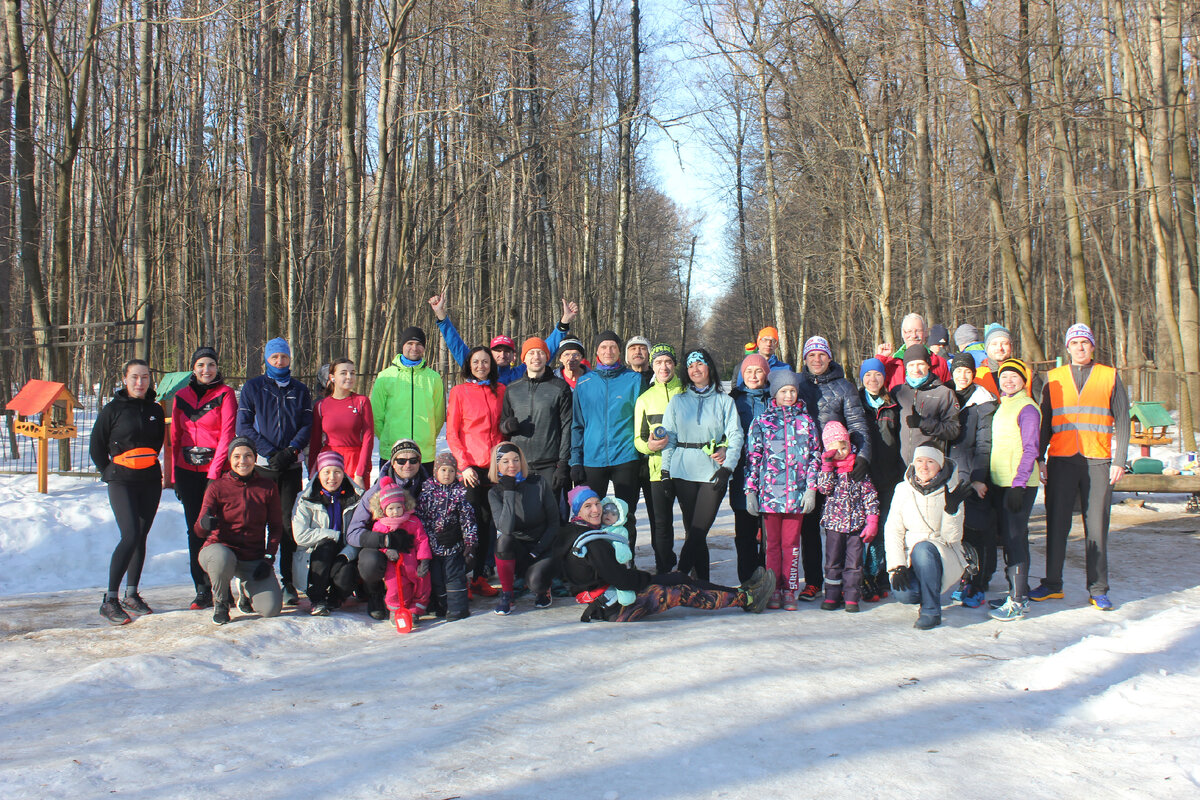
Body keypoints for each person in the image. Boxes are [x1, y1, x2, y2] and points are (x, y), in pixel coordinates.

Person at [561, 487, 776, 621]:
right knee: (680, 590)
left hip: (612, 596)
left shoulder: (578, 531)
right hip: (614, 608)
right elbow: (622, 580)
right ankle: (748, 599)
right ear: (578, 511)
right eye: (588, 506)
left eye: (597, 503)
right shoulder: (594, 542)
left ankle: (741, 591)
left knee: (679, 577)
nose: (596, 510)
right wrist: (648, 579)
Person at [1033, 323, 1130, 611]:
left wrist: (1120, 460)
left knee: (1097, 526)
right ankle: (1052, 584)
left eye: (1084, 342)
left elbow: (1123, 419)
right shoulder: (1054, 378)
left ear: (1093, 346)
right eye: (1074, 343)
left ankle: (1098, 588)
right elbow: (1045, 423)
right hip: (1061, 459)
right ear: (1067, 347)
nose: (1079, 347)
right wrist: (1039, 457)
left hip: (1098, 460)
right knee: (1057, 523)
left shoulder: (1109, 376)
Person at [235, 337, 312, 605]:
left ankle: (288, 581)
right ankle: (250, 582)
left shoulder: (300, 389)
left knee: (288, 524)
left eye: (284, 357)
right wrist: (268, 452)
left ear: (290, 359)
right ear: (267, 359)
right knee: (257, 523)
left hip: (290, 465)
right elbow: (243, 426)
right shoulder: (253, 387)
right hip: (263, 467)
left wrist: (291, 450)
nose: (280, 362)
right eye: (275, 357)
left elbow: (307, 424)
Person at [796, 335, 872, 600]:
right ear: (805, 359)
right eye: (811, 355)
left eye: (821, 354)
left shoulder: (845, 387)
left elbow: (857, 424)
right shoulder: (798, 385)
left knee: (840, 527)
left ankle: (843, 580)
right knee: (809, 525)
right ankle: (814, 581)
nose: (817, 360)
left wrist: (862, 456)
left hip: (838, 467)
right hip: (807, 466)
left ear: (829, 357)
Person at [90, 359, 166, 625]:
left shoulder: (155, 409)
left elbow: (157, 443)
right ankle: (109, 599)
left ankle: (131, 595)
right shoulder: (112, 410)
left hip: (150, 480)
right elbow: (96, 446)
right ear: (124, 379)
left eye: (145, 377)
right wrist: (109, 471)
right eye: (134, 377)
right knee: (130, 534)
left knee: (141, 535)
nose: (140, 382)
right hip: (122, 480)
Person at [660, 348, 743, 581]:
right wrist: (666, 471)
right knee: (693, 531)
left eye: (700, 364)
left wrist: (728, 467)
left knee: (699, 530)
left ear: (709, 368)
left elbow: (735, 435)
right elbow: (670, 438)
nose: (695, 369)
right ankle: (702, 583)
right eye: (690, 366)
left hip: (712, 472)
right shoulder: (677, 401)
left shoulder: (724, 401)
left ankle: (678, 577)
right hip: (683, 471)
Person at [743, 368, 821, 610]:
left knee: (792, 545)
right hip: (770, 497)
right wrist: (750, 491)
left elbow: (815, 457)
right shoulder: (762, 422)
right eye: (784, 391)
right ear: (775, 393)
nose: (789, 395)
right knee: (772, 546)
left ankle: (790, 588)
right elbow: (753, 458)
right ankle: (773, 587)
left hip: (796, 496)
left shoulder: (806, 421)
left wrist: (811, 489)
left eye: (793, 391)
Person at [170, 346, 237, 610]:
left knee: (219, 528)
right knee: (195, 529)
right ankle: (201, 587)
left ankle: (223, 586)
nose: (206, 370)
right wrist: (175, 475)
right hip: (187, 471)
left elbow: (227, 434)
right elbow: (175, 437)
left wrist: (214, 473)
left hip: (216, 471)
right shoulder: (181, 396)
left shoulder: (225, 394)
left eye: (210, 365)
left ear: (216, 367)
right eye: (200, 365)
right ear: (193, 368)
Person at [194, 437, 284, 625]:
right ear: (229, 459)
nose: (242, 461)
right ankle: (221, 603)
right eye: (237, 456)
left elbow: (275, 527)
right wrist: (205, 523)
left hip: (252, 556)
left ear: (255, 458)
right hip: (219, 550)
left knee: (271, 609)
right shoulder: (217, 487)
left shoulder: (267, 487)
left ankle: (246, 591)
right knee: (222, 558)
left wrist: (268, 557)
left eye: (248, 456)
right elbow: (198, 531)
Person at [570, 331, 644, 547]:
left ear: (619, 351)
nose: (608, 351)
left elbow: (643, 420)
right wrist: (576, 460)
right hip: (593, 459)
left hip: (626, 458)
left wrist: (643, 457)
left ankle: (625, 561)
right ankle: (597, 563)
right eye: (603, 347)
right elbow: (577, 424)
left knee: (625, 514)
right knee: (591, 516)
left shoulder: (634, 379)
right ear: (596, 352)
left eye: (612, 347)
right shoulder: (584, 383)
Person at [884, 445, 968, 630]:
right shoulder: (902, 490)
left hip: (941, 551)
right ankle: (928, 589)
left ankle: (931, 610)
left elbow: (952, 537)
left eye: (930, 462)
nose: (924, 466)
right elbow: (893, 529)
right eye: (920, 461)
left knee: (923, 549)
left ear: (940, 466)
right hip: (911, 555)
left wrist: (951, 511)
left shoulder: (951, 490)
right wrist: (897, 565)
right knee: (905, 594)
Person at [347, 439, 430, 619]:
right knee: (370, 562)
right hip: (382, 548)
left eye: (413, 460)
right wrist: (384, 540)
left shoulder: (428, 487)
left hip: (416, 546)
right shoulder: (375, 493)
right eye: (401, 460)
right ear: (392, 462)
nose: (407, 465)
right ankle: (375, 593)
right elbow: (353, 533)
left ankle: (420, 598)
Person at [447, 345, 506, 593]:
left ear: (491, 365)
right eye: (476, 362)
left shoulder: (501, 390)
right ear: (468, 366)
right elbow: (452, 432)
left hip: (494, 467)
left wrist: (502, 461)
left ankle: (479, 577)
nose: (481, 366)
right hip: (470, 467)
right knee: (467, 525)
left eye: (485, 362)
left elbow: (504, 427)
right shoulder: (459, 392)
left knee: (486, 523)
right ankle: (461, 577)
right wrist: (464, 465)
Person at [987, 359, 1042, 621]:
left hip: (1017, 484)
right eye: (1004, 377)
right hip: (1001, 482)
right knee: (1008, 540)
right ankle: (1015, 592)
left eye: (1014, 377)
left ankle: (1018, 601)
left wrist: (1019, 484)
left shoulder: (1028, 408)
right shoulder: (1004, 405)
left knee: (1015, 539)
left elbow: (1031, 448)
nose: (1008, 381)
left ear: (1023, 380)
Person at [428, 294, 578, 384]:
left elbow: (545, 351)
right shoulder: (480, 372)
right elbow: (456, 346)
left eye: (507, 351)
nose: (502, 354)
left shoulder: (519, 374)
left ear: (513, 355)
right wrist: (441, 316)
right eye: (498, 351)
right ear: (490, 353)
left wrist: (564, 322)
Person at [945, 353, 998, 609]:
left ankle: (976, 584)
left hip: (970, 476)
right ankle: (962, 578)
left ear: (973, 373)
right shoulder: (946, 395)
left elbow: (984, 444)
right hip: (948, 475)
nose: (962, 376)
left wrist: (978, 478)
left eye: (967, 371)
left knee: (975, 532)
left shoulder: (983, 401)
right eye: (958, 371)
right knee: (957, 533)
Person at [488, 443, 559, 615]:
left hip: (542, 547)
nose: (512, 465)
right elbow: (506, 528)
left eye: (516, 460)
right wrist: (509, 491)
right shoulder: (495, 493)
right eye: (505, 461)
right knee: (503, 540)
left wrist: (538, 550)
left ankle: (544, 589)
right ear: (497, 465)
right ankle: (507, 595)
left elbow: (555, 522)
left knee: (536, 584)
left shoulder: (538, 483)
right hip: (517, 550)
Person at [816, 421, 879, 613]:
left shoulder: (857, 470)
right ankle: (832, 595)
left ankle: (852, 597)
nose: (841, 452)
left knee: (854, 564)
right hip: (834, 525)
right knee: (833, 562)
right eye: (836, 449)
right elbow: (824, 489)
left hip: (855, 526)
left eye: (844, 447)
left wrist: (872, 521)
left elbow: (870, 496)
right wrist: (827, 467)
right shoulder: (829, 471)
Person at [499, 337, 573, 499]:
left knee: (549, 515)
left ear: (547, 357)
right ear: (523, 358)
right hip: (519, 464)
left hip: (549, 464)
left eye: (540, 353)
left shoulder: (559, 388)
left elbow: (567, 427)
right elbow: (502, 424)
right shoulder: (512, 389)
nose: (536, 357)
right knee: (523, 515)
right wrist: (507, 426)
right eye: (531, 353)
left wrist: (562, 464)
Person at [291, 450, 362, 616]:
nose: (332, 477)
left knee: (347, 572)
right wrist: (333, 535)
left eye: (337, 472)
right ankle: (317, 598)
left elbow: (360, 533)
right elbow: (300, 535)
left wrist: (345, 555)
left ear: (343, 474)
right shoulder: (305, 499)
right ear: (319, 473)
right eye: (327, 472)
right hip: (315, 555)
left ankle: (336, 597)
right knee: (327, 547)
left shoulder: (356, 497)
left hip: (345, 552)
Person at [633, 343, 684, 572]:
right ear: (652, 366)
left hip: (688, 469)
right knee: (662, 524)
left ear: (674, 364)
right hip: (657, 470)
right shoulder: (645, 399)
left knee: (692, 524)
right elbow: (638, 439)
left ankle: (692, 568)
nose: (663, 367)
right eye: (658, 362)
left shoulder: (687, 392)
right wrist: (650, 446)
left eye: (668, 362)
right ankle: (664, 570)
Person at [370, 326, 445, 473]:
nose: (414, 348)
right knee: (392, 495)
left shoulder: (433, 378)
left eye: (419, 344)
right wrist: (388, 437)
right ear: (402, 345)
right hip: (393, 452)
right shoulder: (385, 377)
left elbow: (438, 416)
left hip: (424, 454)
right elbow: (376, 416)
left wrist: (427, 437)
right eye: (410, 343)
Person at [857, 357, 902, 601]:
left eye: (877, 375)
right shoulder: (856, 403)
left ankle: (876, 575)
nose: (873, 380)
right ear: (862, 379)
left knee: (883, 529)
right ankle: (858, 576)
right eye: (868, 376)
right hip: (861, 477)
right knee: (861, 530)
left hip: (888, 477)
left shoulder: (894, 404)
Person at [415, 451, 478, 620]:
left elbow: (468, 520)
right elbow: (421, 519)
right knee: (436, 578)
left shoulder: (460, 494)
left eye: (451, 471)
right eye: (443, 470)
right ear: (436, 471)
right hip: (433, 546)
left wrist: (469, 543)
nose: (447, 474)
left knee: (454, 577)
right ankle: (441, 607)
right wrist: (429, 539)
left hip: (453, 547)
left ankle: (458, 609)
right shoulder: (427, 492)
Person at [729, 353, 773, 582]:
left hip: (773, 477)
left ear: (766, 374)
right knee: (745, 534)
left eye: (758, 371)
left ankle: (767, 578)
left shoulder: (775, 398)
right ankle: (747, 583)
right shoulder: (734, 401)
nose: (753, 376)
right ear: (742, 375)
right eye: (748, 371)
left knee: (769, 535)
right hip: (742, 475)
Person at [367, 477, 432, 629]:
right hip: (394, 565)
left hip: (413, 562)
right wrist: (387, 550)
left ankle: (415, 610)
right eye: (390, 509)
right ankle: (396, 610)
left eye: (398, 507)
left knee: (422, 584)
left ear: (404, 506)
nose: (395, 512)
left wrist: (424, 560)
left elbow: (421, 540)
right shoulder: (381, 525)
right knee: (396, 587)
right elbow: (378, 542)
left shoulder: (413, 521)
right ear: (383, 510)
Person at [309, 358, 374, 488]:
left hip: (355, 461)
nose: (349, 377)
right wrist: (312, 471)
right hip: (329, 462)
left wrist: (360, 473)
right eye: (343, 373)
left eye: (352, 373)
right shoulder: (321, 406)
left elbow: (368, 438)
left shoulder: (361, 402)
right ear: (332, 377)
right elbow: (315, 442)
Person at [892, 344, 961, 464]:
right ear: (906, 367)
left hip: (929, 466)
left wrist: (924, 423)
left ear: (928, 365)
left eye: (921, 364)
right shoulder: (898, 392)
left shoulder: (944, 393)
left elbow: (953, 430)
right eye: (911, 365)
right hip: (900, 463)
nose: (916, 369)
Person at [876, 313, 952, 388]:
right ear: (903, 334)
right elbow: (875, 386)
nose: (914, 335)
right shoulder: (891, 363)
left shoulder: (940, 363)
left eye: (918, 331)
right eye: (909, 331)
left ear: (925, 333)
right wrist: (881, 359)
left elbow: (946, 394)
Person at [973, 324, 1015, 397]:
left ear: (1011, 347)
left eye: (1004, 343)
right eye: (994, 344)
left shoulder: (1027, 374)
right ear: (987, 348)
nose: (1000, 348)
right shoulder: (975, 376)